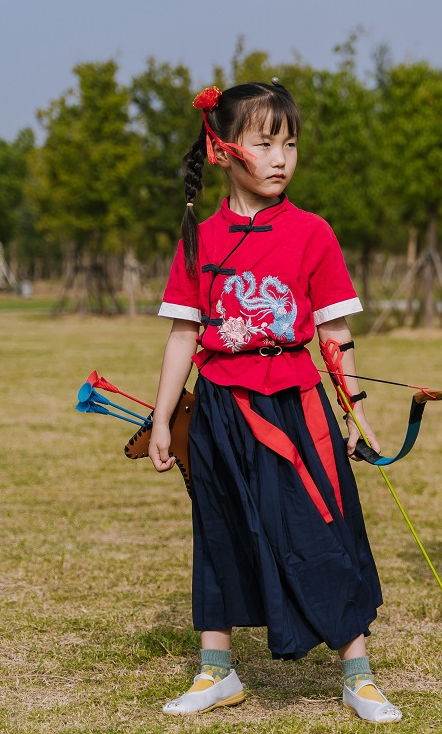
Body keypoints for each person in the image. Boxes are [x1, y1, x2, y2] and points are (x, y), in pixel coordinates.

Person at [148, 81, 401, 723]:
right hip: (221, 412)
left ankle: (358, 674)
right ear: (223, 149)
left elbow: (335, 336)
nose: (282, 157)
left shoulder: (314, 233)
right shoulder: (198, 238)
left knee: (323, 529)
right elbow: (184, 335)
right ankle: (217, 670)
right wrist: (161, 418)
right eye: (265, 143)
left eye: (290, 143)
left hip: (296, 408)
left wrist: (356, 411)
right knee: (221, 531)